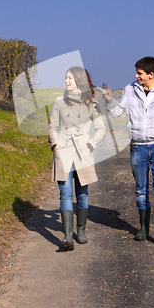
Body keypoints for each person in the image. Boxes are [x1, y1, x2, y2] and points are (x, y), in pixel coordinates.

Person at [103, 56, 154, 243]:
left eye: (140, 73)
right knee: (141, 189)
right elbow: (116, 112)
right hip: (138, 146)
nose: (136, 76)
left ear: (151, 75)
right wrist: (109, 100)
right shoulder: (129, 90)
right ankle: (143, 229)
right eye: (137, 73)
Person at [49, 66, 106, 250]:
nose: (66, 81)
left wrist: (91, 144)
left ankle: (81, 230)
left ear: (79, 81)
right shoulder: (59, 101)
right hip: (64, 151)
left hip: (82, 152)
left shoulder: (90, 103)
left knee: (82, 194)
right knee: (65, 194)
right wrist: (55, 145)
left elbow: (101, 128)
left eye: (70, 78)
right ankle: (67, 236)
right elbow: (52, 126)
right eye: (66, 78)